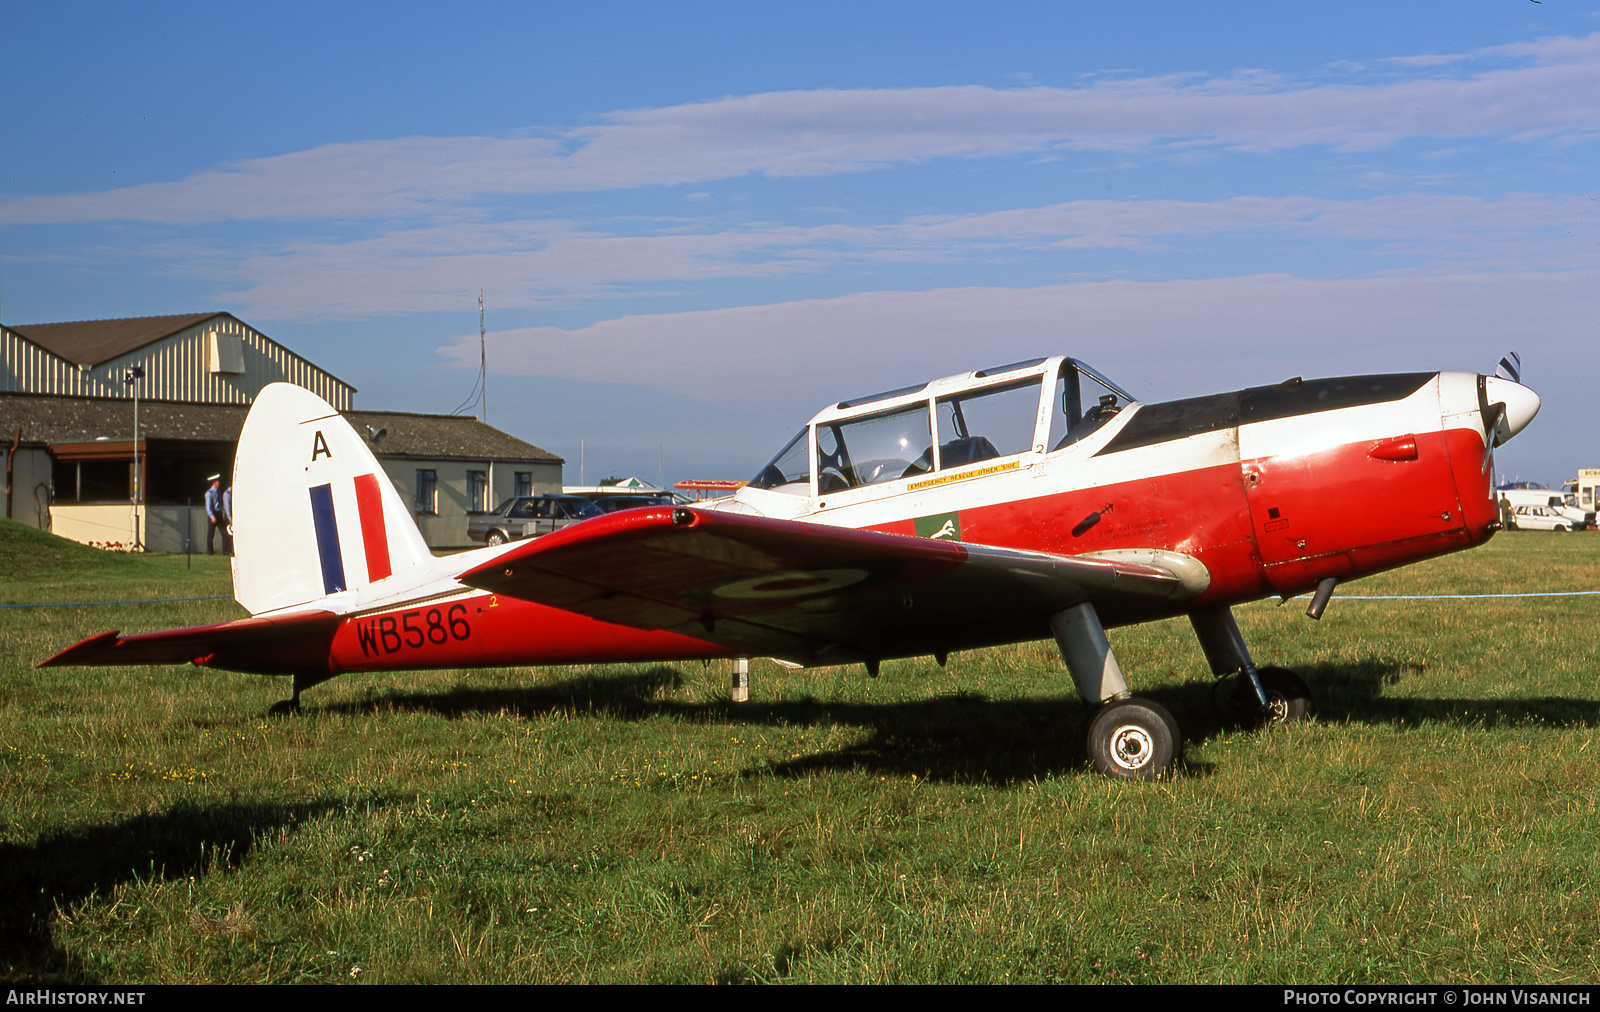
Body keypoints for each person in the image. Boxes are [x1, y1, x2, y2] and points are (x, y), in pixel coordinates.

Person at [205, 475, 231, 556]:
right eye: (217, 482)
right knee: (211, 534)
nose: (219, 483)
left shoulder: (219, 492)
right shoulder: (209, 493)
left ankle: (226, 550)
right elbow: (208, 507)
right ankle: (210, 551)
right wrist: (212, 516)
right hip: (213, 513)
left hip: (219, 513)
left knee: (224, 532)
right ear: (214, 483)